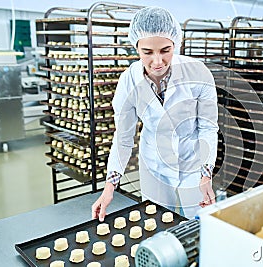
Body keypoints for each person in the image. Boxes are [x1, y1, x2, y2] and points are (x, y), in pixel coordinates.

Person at [92, 6, 218, 220]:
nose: (157, 61)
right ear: (136, 48)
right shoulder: (128, 81)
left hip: (192, 160)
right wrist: (109, 188)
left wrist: (206, 174)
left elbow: (207, 127)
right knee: (156, 223)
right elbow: (122, 138)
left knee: (198, 225)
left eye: (165, 50)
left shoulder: (198, 72)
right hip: (154, 163)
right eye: (147, 52)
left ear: (175, 44)